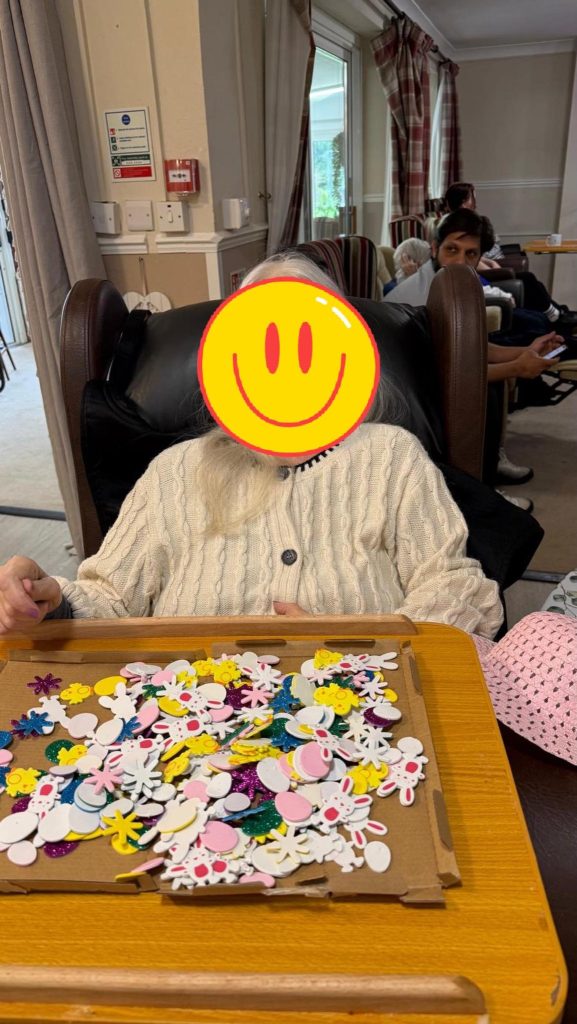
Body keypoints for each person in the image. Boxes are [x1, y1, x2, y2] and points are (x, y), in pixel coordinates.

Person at [0, 254, 503, 639]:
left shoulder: (391, 455)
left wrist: (359, 643)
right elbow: (110, 597)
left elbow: (453, 585)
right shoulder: (174, 470)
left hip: (362, 716)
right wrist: (50, 598)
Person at [383, 209, 563, 507]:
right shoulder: (419, 296)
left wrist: (527, 349)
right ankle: (480, 490)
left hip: (432, 373)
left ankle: (488, 464)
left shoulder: (460, 286)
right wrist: (518, 367)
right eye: (452, 250)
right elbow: (448, 373)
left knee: (491, 384)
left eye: (470, 254)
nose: (460, 261)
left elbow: (474, 350)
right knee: (483, 389)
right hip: (406, 392)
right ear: (435, 248)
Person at [444, 182, 577, 329]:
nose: (476, 203)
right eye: (473, 198)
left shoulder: (469, 223)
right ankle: (556, 315)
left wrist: (489, 262)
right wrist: (491, 268)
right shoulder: (456, 228)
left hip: (488, 272)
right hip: (486, 278)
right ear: (464, 202)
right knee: (529, 282)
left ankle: (558, 312)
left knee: (533, 289)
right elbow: (467, 260)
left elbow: (474, 256)